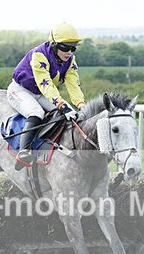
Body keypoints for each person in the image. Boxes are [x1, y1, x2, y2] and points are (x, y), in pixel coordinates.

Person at [7, 22, 86, 168]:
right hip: (20, 90)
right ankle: (23, 151)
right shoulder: (39, 55)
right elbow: (46, 84)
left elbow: (73, 84)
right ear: (54, 45)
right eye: (65, 47)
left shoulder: (70, 60)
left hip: (40, 93)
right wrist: (60, 104)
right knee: (36, 112)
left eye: (73, 48)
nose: (69, 52)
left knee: (71, 113)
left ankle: (50, 148)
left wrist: (81, 104)